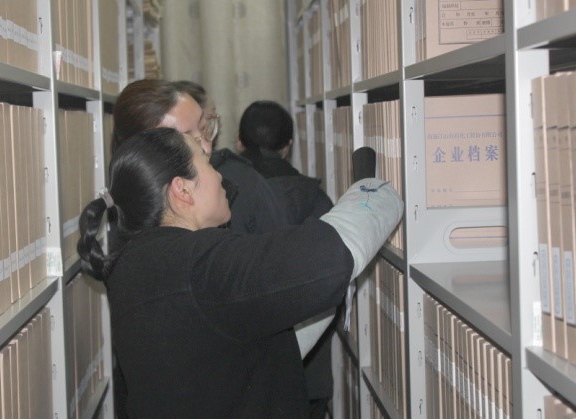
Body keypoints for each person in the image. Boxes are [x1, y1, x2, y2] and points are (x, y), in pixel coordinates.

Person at [77, 126, 403, 417]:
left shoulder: (134, 261)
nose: (221, 177)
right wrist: (374, 189)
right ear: (182, 190)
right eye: (207, 163)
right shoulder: (199, 262)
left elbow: (230, 350)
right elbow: (329, 257)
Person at [238, 100, 336, 417]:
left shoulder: (223, 199)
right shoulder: (318, 201)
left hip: (243, 376)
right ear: (288, 146)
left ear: (239, 143)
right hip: (308, 372)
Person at [113, 79, 288, 234]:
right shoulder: (128, 224)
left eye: (204, 128)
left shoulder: (242, 182)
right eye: (187, 140)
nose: (206, 147)